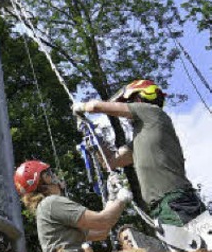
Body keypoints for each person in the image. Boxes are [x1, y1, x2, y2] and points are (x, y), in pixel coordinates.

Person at [72, 78, 206, 227]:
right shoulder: (141, 138)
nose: (126, 106)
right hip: (165, 205)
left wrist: (81, 106)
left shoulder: (153, 111)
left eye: (128, 102)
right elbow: (110, 162)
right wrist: (95, 141)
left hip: (175, 200)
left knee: (193, 246)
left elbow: (96, 106)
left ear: (139, 98)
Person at [14, 160, 131, 252]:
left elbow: (102, 231)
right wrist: (121, 199)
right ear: (41, 182)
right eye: (49, 173)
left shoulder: (45, 207)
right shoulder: (51, 203)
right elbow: (103, 221)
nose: (54, 176)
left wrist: (112, 198)